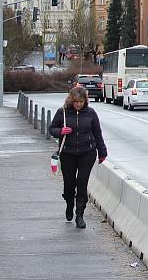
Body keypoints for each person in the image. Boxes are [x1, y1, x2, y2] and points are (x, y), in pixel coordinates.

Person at [48, 85, 107, 229]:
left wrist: (102, 152)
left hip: (87, 152)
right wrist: (61, 131)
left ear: (85, 101)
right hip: (68, 153)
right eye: (76, 102)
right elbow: (52, 129)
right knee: (69, 184)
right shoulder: (62, 113)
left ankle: (79, 214)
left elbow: (97, 133)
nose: (78, 104)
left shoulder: (91, 113)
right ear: (71, 100)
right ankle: (69, 203)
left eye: (81, 102)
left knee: (82, 183)